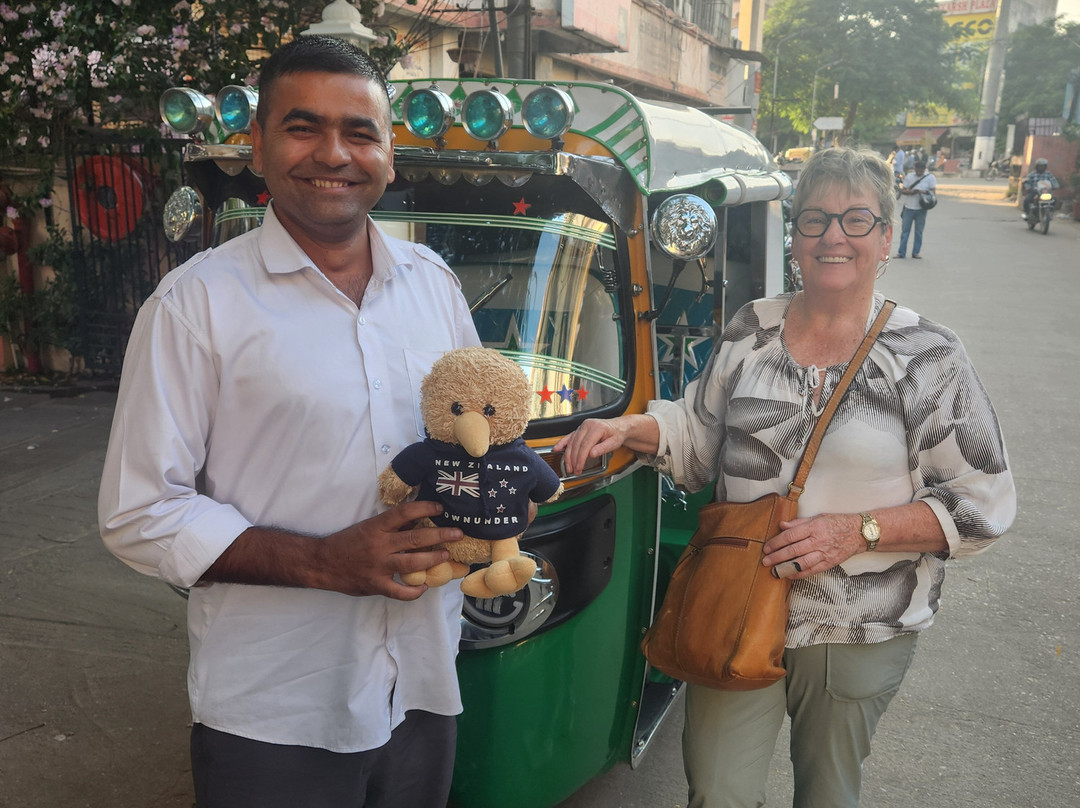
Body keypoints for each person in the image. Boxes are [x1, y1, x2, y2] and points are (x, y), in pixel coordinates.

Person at [556, 147, 1015, 808]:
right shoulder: (753, 328)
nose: (834, 236)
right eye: (814, 220)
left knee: (828, 794)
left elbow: (982, 499)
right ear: (793, 238)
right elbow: (698, 433)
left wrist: (858, 531)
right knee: (716, 790)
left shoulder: (928, 355)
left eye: (857, 220)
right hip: (733, 601)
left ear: (887, 237)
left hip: (854, 624)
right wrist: (635, 428)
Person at [98, 35, 481, 808]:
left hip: (422, 684)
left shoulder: (432, 284)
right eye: (303, 127)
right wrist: (322, 563)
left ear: (389, 155)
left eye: (360, 131)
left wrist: (497, 498)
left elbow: (469, 430)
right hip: (275, 708)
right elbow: (140, 512)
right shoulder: (195, 305)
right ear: (258, 146)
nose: (333, 153)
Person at [896, 159, 936, 259]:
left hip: (921, 209)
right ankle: (901, 252)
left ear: (924, 169)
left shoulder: (930, 178)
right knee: (905, 232)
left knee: (919, 232)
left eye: (921, 170)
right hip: (908, 208)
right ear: (915, 169)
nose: (919, 172)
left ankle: (916, 252)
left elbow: (933, 193)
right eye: (918, 170)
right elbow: (903, 191)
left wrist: (923, 192)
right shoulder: (909, 177)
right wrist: (913, 192)